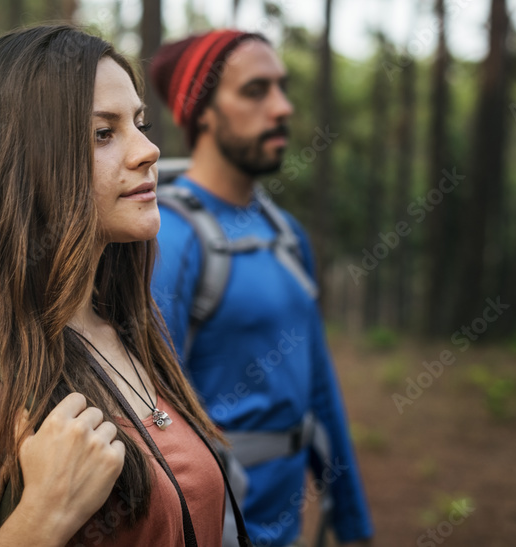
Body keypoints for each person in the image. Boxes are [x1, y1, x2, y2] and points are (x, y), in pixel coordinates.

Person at [0, 25, 235, 547]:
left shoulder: (129, 335)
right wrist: (43, 515)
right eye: (103, 133)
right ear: (24, 164)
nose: (150, 150)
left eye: (140, 123)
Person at [149, 29, 374, 547]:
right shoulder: (169, 239)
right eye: (255, 90)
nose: (282, 108)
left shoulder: (285, 234)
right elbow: (154, 420)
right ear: (202, 111)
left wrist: (354, 522)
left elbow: (320, 388)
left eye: (281, 88)